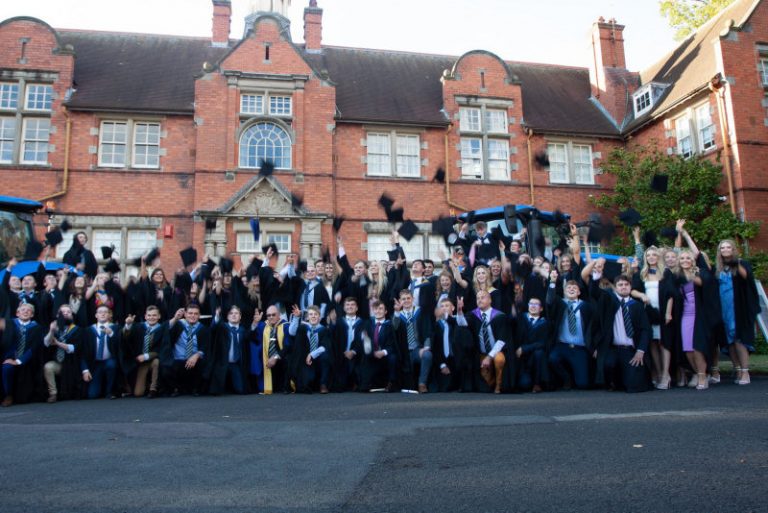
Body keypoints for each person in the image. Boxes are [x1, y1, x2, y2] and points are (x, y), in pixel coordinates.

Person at [590, 268, 651, 393]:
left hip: (630, 350)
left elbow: (646, 330)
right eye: (620, 285)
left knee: (633, 386)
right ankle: (612, 382)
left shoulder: (637, 306)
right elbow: (595, 292)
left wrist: (640, 351)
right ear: (616, 287)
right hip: (612, 349)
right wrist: (596, 276)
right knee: (608, 364)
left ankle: (624, 380)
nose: (623, 287)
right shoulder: (609, 300)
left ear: (630, 287)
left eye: (626, 284)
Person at [715, 239, 760, 386]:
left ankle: (745, 371)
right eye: (723, 248)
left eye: (728, 247)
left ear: (733, 249)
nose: (726, 250)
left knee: (739, 339)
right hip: (724, 308)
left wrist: (735, 262)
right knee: (729, 341)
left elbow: (746, 277)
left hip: (738, 308)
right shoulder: (718, 268)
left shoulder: (741, 263)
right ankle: (738, 369)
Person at [631, 245, 675, 390]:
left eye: (654, 255)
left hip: (663, 312)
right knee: (653, 343)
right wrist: (642, 295)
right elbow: (633, 291)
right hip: (648, 313)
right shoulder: (642, 273)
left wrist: (668, 312)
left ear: (658, 257)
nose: (651, 257)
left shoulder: (666, 273)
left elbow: (671, 294)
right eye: (648, 255)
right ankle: (656, 373)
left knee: (664, 342)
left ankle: (665, 374)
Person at [546, 272, 596, 390]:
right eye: (569, 287)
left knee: (582, 384)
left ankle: (575, 378)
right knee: (552, 359)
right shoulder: (560, 303)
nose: (572, 289)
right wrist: (552, 282)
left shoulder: (586, 307)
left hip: (579, 348)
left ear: (579, 292)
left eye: (575, 288)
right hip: (562, 346)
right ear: (564, 291)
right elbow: (549, 301)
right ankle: (566, 378)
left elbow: (592, 327)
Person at [457, 289, 513, 394]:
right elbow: (462, 324)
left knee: (499, 359)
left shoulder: (499, 316)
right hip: (481, 354)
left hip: (496, 352)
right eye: (478, 298)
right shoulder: (473, 315)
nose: (479, 300)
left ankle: (499, 385)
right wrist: (460, 312)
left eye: (483, 297)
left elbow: (501, 341)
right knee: (485, 384)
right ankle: (492, 381)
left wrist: (489, 357)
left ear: (490, 300)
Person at [2, 303, 43, 406]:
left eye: (28, 310)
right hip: (8, 357)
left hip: (28, 360)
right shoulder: (9, 324)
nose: (25, 311)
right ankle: (8, 395)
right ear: (17, 313)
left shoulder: (37, 328)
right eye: (23, 310)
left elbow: (34, 348)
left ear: (32, 315)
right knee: (7, 368)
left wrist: (19, 361)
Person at [164, 304, 211, 396]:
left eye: (195, 314)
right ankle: (175, 388)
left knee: (204, 364)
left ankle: (195, 388)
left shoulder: (203, 329)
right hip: (177, 359)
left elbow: (205, 346)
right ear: (185, 314)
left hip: (194, 361)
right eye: (190, 313)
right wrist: (175, 318)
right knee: (165, 367)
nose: (192, 316)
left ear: (199, 315)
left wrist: (197, 355)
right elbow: (166, 331)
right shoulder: (177, 324)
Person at [392, 289, 433, 393]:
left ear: (413, 299)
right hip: (403, 351)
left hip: (417, 349)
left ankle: (422, 383)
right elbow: (394, 327)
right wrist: (396, 312)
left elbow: (428, 329)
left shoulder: (421, 312)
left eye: (408, 298)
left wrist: (426, 347)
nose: (406, 301)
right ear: (400, 301)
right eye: (403, 299)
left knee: (427, 355)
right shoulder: (398, 315)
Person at [122, 305, 168, 398]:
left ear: (159, 316)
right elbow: (126, 337)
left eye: (154, 315)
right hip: (140, 362)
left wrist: (147, 356)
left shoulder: (162, 329)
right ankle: (146, 385)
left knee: (156, 362)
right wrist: (128, 325)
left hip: (152, 359)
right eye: (149, 315)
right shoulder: (138, 327)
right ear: (145, 316)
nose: (152, 318)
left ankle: (153, 389)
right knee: (138, 393)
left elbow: (162, 348)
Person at [42, 304, 83, 402]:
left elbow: (73, 348)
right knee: (48, 366)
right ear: (57, 315)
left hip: (72, 364)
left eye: (68, 312)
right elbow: (46, 343)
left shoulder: (77, 330)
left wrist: (57, 343)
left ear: (72, 316)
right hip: (58, 363)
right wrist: (51, 331)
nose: (65, 314)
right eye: (62, 312)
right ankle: (53, 394)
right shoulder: (54, 328)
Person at [288, 304, 332, 393]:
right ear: (307, 317)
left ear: (319, 317)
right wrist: (296, 318)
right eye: (311, 314)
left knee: (326, 356)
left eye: (316, 314)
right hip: (305, 360)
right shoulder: (304, 328)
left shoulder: (323, 330)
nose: (313, 316)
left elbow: (325, 347)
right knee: (308, 380)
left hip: (318, 358)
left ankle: (323, 384)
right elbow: (291, 332)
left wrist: (312, 354)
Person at [433, 297, 473, 392]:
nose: (444, 308)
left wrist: (459, 311)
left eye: (447, 305)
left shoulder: (458, 320)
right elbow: (436, 347)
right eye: (441, 306)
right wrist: (442, 365)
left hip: (459, 358)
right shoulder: (437, 325)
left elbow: (460, 321)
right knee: (445, 388)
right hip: (445, 359)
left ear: (453, 308)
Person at [81, 305, 121, 399]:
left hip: (109, 361)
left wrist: (111, 334)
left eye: (105, 312)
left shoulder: (116, 328)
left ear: (109, 315)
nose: (102, 314)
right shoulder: (88, 330)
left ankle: (109, 391)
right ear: (96, 315)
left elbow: (120, 346)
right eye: (100, 312)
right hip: (95, 364)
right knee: (92, 395)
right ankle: (101, 389)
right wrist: (85, 370)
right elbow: (82, 352)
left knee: (111, 364)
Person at [208, 305, 251, 395]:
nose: (234, 315)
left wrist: (254, 324)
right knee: (216, 391)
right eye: (231, 313)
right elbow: (213, 328)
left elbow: (250, 337)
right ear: (227, 317)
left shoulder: (242, 330)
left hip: (235, 364)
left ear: (240, 316)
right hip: (222, 363)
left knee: (241, 390)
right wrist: (217, 316)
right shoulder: (223, 327)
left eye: (236, 313)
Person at [252, 304, 291, 394]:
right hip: (267, 360)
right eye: (269, 315)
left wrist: (275, 357)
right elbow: (252, 337)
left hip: (281, 358)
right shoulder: (263, 326)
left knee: (289, 357)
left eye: (273, 315)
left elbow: (288, 346)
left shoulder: (286, 326)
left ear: (279, 315)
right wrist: (255, 323)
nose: (271, 317)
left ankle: (286, 386)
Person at [514, 296, 550, 393]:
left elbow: (542, 343)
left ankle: (537, 383)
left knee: (539, 352)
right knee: (524, 384)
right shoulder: (520, 318)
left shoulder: (545, 323)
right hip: (522, 360)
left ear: (541, 308)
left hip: (536, 358)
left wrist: (524, 348)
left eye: (536, 304)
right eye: (531, 304)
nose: (533, 306)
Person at [330, 297, 365, 392]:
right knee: (339, 384)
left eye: (352, 305)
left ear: (357, 308)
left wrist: (353, 351)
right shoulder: (338, 322)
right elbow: (333, 340)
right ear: (344, 308)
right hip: (341, 355)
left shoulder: (362, 323)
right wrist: (332, 323)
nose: (350, 307)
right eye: (347, 305)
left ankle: (356, 382)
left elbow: (362, 341)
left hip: (357, 355)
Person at [364, 300, 400, 392]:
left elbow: (393, 344)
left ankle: (391, 382)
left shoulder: (389, 325)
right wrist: (372, 352)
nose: (378, 311)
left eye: (381, 309)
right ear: (373, 311)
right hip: (372, 354)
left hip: (385, 354)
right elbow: (365, 342)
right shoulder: (368, 324)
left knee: (393, 358)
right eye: (376, 309)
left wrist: (383, 352)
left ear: (385, 311)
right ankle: (365, 382)